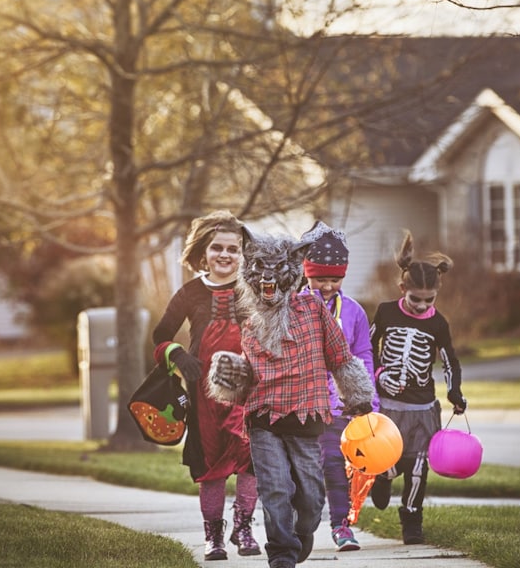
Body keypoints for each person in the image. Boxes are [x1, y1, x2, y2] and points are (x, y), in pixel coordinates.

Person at [205, 228, 375, 568]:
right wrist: (230, 374)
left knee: (311, 497)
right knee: (276, 489)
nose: (268, 282)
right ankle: (281, 554)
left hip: (307, 414)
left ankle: (302, 533)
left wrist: (358, 397)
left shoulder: (312, 308)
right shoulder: (249, 318)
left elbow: (339, 356)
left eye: (275, 273)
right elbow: (249, 376)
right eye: (260, 274)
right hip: (264, 419)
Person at [151, 210, 260, 561]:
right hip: (203, 394)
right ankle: (213, 536)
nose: (225, 255)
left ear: (244, 254)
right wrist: (178, 355)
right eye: (217, 248)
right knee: (209, 465)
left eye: (233, 249)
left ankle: (244, 528)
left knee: (250, 460)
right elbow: (160, 335)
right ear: (203, 253)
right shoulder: (190, 292)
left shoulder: (255, 288)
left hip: (249, 390)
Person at [368, 230, 468, 545]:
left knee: (418, 466)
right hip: (388, 407)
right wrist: (379, 375)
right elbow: (367, 349)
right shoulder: (385, 312)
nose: (422, 305)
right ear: (402, 288)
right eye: (415, 299)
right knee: (388, 460)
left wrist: (455, 393)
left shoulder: (438, 323)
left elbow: (450, 360)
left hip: (422, 408)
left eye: (429, 300)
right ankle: (382, 478)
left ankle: (411, 517)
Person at [298, 221, 378, 552]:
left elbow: (363, 355)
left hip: (337, 407)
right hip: (299, 405)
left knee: (334, 465)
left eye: (335, 278)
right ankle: (299, 525)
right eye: (320, 278)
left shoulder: (354, 312)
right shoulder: (293, 306)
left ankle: (341, 526)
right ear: (306, 274)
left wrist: (367, 400)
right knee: (301, 473)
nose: (328, 285)